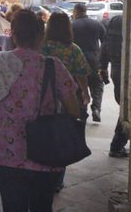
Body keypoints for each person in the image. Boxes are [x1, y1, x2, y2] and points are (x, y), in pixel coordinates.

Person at [0, 10, 80, 212]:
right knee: (42, 207)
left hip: (6, 155)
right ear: (41, 36)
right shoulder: (54, 66)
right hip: (46, 154)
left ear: (13, 35)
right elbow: (74, 111)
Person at [41, 12, 92, 192]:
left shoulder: (41, 47)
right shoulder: (73, 49)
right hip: (66, 99)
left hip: (40, 99)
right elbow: (81, 74)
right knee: (61, 138)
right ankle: (57, 180)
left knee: (41, 135)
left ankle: (40, 171)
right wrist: (85, 93)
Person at [99, 15, 130, 158]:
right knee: (127, 109)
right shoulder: (128, 20)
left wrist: (103, 66)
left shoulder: (115, 21)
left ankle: (117, 145)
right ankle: (117, 145)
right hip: (126, 69)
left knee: (124, 108)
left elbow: (105, 45)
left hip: (116, 69)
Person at [72, 3, 106, 122]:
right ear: (85, 11)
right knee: (97, 84)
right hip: (94, 59)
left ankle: (83, 111)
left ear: (75, 12)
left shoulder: (72, 25)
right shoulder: (96, 24)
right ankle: (96, 108)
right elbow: (105, 41)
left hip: (77, 60)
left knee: (80, 87)